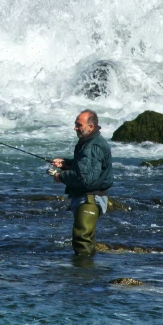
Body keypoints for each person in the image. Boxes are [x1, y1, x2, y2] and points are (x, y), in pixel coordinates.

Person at [49, 109, 113, 257]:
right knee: (85, 239)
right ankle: (85, 275)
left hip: (89, 199)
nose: (75, 128)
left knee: (82, 239)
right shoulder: (90, 142)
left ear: (90, 127)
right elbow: (87, 167)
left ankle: (83, 277)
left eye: (79, 125)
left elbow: (85, 178)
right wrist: (66, 163)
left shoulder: (92, 146)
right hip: (88, 197)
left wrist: (61, 176)